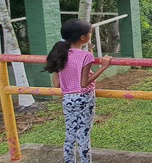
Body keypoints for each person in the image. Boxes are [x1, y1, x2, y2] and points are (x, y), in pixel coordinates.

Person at [44, 19, 112, 163]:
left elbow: (56, 83)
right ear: (83, 38)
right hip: (84, 98)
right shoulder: (86, 56)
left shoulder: (59, 53)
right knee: (84, 134)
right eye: (90, 33)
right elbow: (84, 82)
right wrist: (104, 66)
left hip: (68, 99)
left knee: (70, 133)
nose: (90, 36)